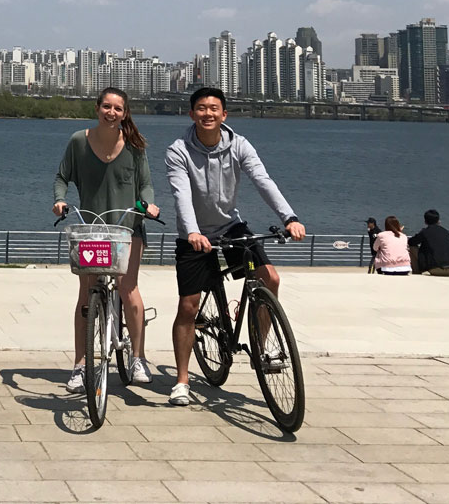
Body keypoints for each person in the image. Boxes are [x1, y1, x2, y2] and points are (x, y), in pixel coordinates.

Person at [166, 87, 305, 407]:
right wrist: (192, 231)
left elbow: (263, 180)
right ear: (192, 114)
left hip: (231, 227)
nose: (207, 114)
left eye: (214, 108)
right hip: (194, 233)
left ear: (224, 114)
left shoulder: (239, 145)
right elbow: (181, 194)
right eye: (201, 108)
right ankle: (182, 380)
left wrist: (289, 217)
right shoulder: (178, 150)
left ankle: (261, 346)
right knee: (188, 307)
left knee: (269, 279)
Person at [53, 87, 160, 392]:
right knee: (86, 293)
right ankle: (79, 365)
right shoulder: (78, 141)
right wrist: (60, 200)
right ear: (97, 108)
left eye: (118, 109)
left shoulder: (135, 146)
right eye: (106, 107)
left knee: (129, 288)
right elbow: (61, 177)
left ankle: (137, 357)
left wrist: (148, 205)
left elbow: (146, 186)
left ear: (124, 113)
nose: (111, 113)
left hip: (128, 229)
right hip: (92, 230)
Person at [407, 209, 449, 276]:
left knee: (412, 247)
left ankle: (417, 271)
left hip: (436, 269)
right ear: (438, 221)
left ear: (425, 221)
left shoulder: (425, 232)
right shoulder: (446, 232)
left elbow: (411, 242)